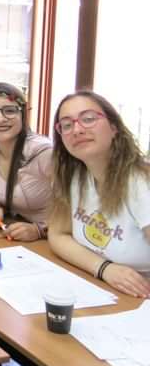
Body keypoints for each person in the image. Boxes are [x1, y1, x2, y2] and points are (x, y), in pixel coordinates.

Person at [48, 90, 150, 298]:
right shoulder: (74, 175)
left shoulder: (140, 182)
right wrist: (104, 268)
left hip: (138, 295)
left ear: (114, 127)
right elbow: (58, 235)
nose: (77, 129)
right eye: (66, 125)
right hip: (101, 287)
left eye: (88, 119)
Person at [0, 82, 53, 241]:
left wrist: (39, 230)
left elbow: (82, 211)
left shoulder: (44, 152)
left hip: (55, 240)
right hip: (17, 237)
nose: (1, 119)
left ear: (23, 115)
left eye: (9, 111)